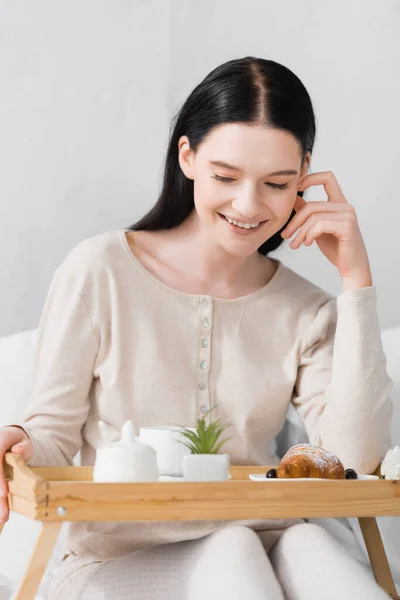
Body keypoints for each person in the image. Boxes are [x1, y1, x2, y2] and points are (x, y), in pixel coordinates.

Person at [0, 57, 393, 600]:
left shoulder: (310, 311)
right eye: (225, 177)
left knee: (311, 546)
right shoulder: (99, 271)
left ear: (305, 173)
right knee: (234, 548)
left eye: (277, 183)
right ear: (187, 157)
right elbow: (52, 436)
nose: (248, 205)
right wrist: (18, 443)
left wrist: (356, 282)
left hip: (265, 546)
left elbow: (354, 461)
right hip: (118, 565)